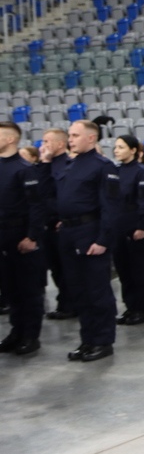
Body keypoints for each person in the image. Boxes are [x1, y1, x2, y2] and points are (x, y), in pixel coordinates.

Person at [56, 120, 121, 362]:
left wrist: (103, 239)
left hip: (90, 232)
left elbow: (111, 206)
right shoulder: (70, 165)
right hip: (69, 233)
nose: (70, 139)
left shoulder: (102, 167)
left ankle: (103, 341)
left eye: (75, 135)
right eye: (70, 135)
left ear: (91, 138)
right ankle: (87, 339)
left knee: (97, 291)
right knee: (78, 290)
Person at [0, 121, 47, 356]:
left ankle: (30, 335)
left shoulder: (24, 168)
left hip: (20, 234)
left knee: (28, 289)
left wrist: (32, 236)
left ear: (10, 139)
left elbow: (36, 206)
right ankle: (16, 332)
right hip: (2, 236)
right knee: (10, 289)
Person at [111, 134, 144, 325]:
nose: (117, 151)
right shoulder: (115, 172)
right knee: (124, 269)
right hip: (120, 227)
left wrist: (141, 226)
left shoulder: (142, 172)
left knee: (140, 269)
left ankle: (142, 308)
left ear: (133, 150)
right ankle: (130, 306)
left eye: (121, 147)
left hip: (138, 228)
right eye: (116, 147)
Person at [38, 128, 75, 321]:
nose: (43, 146)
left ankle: (69, 304)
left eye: (47, 142)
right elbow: (40, 192)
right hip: (47, 224)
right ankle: (65, 302)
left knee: (65, 268)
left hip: (61, 224)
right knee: (55, 267)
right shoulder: (45, 165)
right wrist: (44, 162)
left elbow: (66, 195)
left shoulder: (68, 165)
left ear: (61, 144)